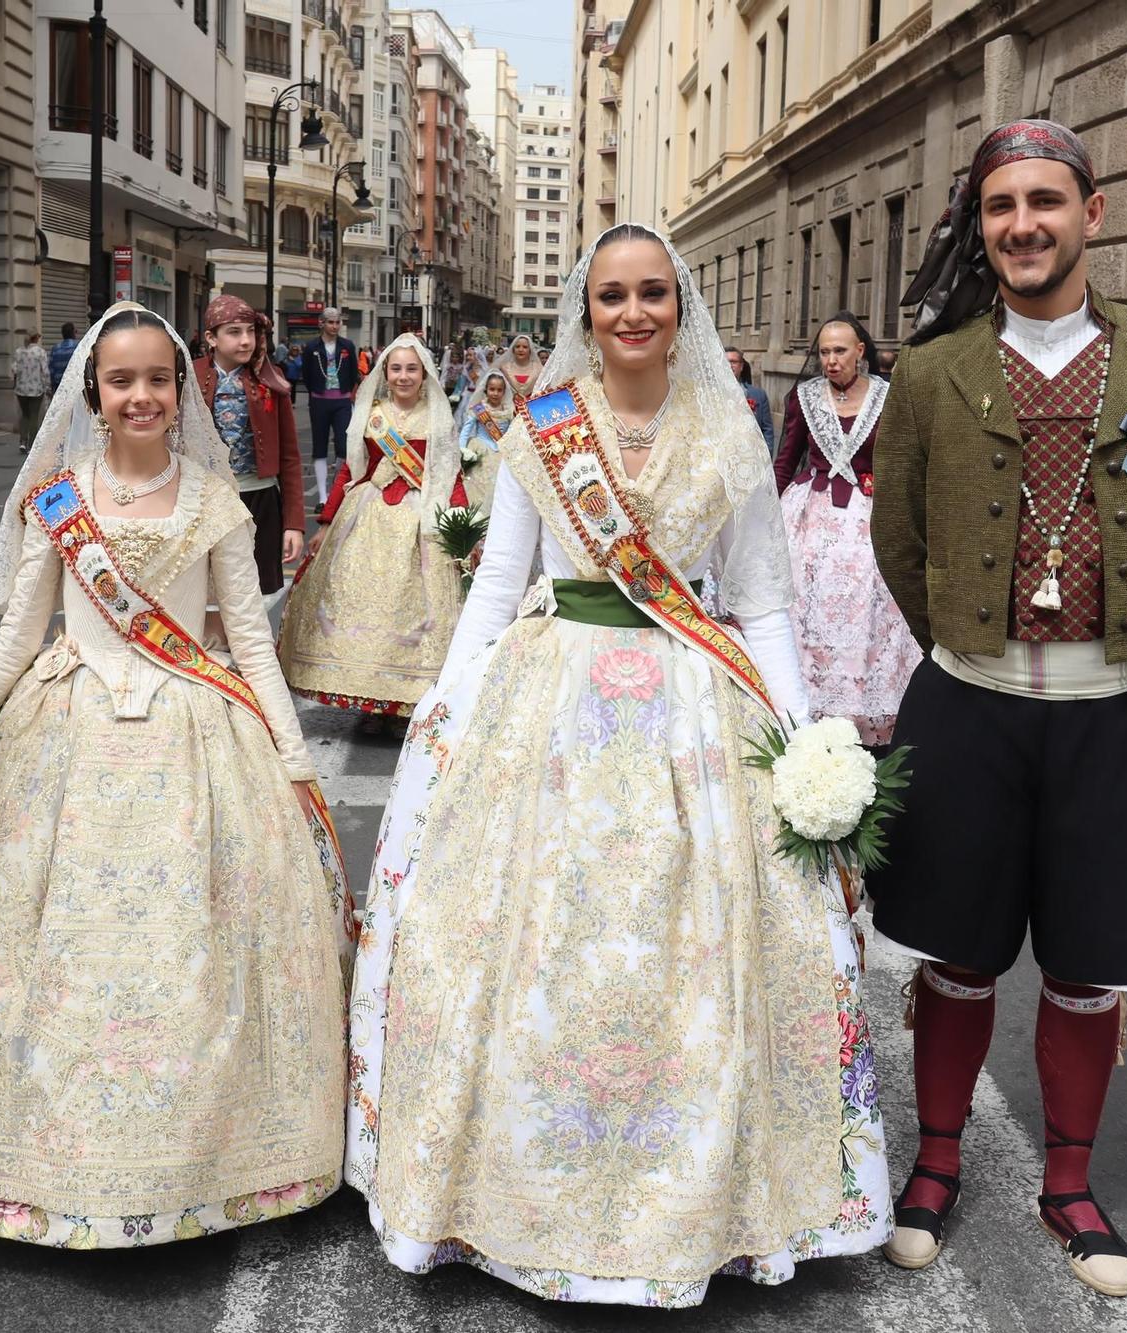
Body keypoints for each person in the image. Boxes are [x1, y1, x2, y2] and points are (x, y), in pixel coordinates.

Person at [347, 223, 881, 1308]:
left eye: (651, 294)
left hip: (693, 707)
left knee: (697, 953)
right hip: (547, 711)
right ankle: (510, 1202)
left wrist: (797, 741)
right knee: (531, 947)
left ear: (679, 307)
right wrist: (443, 715)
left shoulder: (726, 429)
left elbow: (763, 604)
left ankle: (703, 1208)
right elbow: (496, 586)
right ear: (581, 314)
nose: (631, 313)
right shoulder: (541, 431)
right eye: (609, 297)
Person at [0, 303, 350, 1252]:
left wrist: (293, 756)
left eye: (157, 379)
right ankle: (33, 1164)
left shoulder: (217, 501)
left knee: (197, 948)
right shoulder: (57, 497)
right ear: (92, 393)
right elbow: (20, 631)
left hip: (194, 728)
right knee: (43, 949)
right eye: (120, 380)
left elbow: (248, 636)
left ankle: (203, 1164)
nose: (140, 395)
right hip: (68, 724)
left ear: (181, 391)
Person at [869, 119, 1127, 1299]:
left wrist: (1114, 644)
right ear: (980, 227)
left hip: (1118, 714)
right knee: (955, 953)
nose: (1020, 225)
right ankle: (933, 1163)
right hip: (967, 707)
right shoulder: (928, 371)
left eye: (1042, 203)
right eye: (997, 208)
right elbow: (900, 537)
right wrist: (965, 653)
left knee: (1087, 966)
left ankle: (1066, 1181)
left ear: (1091, 212)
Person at [277, 334, 466, 734]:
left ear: (424, 373)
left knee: (411, 612)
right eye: (395, 368)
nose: (403, 376)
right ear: (384, 373)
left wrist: (462, 527)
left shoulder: (438, 417)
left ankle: (403, 705)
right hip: (368, 516)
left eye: (411, 368)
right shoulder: (372, 413)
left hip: (420, 521)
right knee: (365, 606)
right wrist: (326, 522)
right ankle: (371, 704)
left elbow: (450, 474)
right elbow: (351, 469)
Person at [773, 312, 922, 744]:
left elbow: (903, 460)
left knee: (873, 611)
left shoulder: (888, 396)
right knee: (805, 609)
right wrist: (761, 520)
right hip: (811, 517)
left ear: (861, 351)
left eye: (840, 350)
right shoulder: (804, 398)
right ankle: (805, 708)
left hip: (869, 519)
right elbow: (787, 459)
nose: (831, 360)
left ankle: (865, 712)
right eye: (824, 352)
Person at [193, 295, 305, 594]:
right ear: (211, 338)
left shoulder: (271, 379)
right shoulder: (189, 377)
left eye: (251, 332)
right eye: (234, 332)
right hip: (203, 501)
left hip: (261, 500)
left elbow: (291, 457)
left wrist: (294, 523)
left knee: (255, 593)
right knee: (204, 592)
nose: (246, 341)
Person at [302, 309, 361, 502]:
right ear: (322, 323)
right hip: (319, 401)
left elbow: (354, 374)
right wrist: (317, 392)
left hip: (342, 401)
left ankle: (337, 489)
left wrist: (349, 394)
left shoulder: (347, 346)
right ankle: (322, 496)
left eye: (337, 322)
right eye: (330, 322)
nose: (334, 326)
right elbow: (307, 376)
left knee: (344, 446)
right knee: (319, 445)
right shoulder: (312, 348)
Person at [454, 369, 512, 513]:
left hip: (501, 451)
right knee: (479, 485)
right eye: (492, 389)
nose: (495, 393)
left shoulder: (509, 411)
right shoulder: (479, 409)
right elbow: (466, 430)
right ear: (485, 390)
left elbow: (511, 433)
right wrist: (462, 449)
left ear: (504, 392)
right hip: (481, 448)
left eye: (499, 390)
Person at [727, 345, 776, 454]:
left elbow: (767, 430)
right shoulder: (712, 394)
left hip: (751, 457)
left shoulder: (758, 395)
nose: (729, 366)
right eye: (726, 362)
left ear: (741, 366)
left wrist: (766, 456)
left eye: (734, 362)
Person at [10, 330, 50, 455]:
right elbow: (45, 371)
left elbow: (14, 369)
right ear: (37, 338)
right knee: (34, 416)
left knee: (25, 415)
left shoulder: (19, 352)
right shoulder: (40, 352)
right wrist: (47, 387)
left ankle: (22, 441)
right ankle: (31, 444)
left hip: (21, 389)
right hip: (36, 389)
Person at [499, 333, 543, 407]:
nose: (521, 350)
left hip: (533, 408)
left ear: (530, 350)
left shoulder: (539, 368)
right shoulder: (504, 368)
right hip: (508, 408)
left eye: (525, 347)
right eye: (517, 347)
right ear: (513, 350)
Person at [47, 320, 80, 388]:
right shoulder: (78, 347)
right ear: (73, 333)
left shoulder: (55, 349)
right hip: (74, 386)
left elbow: (51, 370)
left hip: (59, 386)